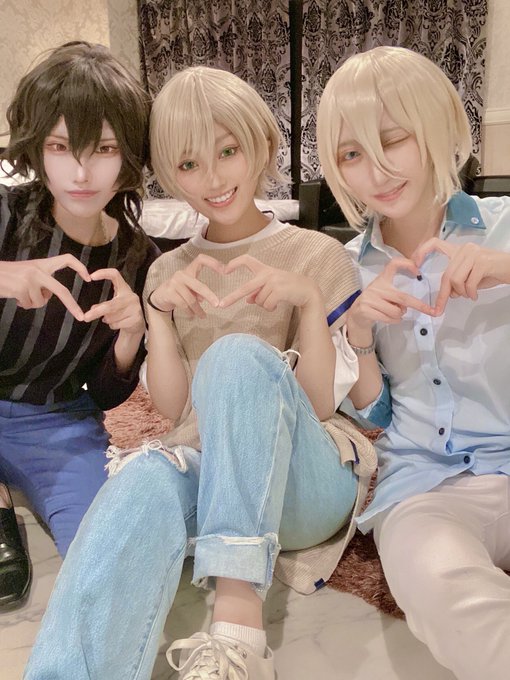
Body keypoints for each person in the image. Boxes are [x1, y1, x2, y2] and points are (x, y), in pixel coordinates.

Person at [24, 66, 376, 680]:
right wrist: (159, 317)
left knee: (235, 357)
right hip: (209, 471)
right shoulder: (166, 270)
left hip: (307, 479)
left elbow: (321, 405)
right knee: (142, 474)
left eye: (228, 151)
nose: (212, 179)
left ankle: (238, 635)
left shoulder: (316, 255)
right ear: (168, 172)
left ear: (259, 145)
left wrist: (307, 304)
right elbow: (171, 409)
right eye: (188, 164)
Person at [316, 45, 510, 680]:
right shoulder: (345, 269)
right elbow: (373, 414)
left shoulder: (503, 226)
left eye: (393, 139)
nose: (375, 170)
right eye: (351, 154)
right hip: (424, 484)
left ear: (438, 126)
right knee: (448, 598)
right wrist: (359, 331)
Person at [0, 41, 159, 610]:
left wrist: (131, 337)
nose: (82, 172)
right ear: (37, 148)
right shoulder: (7, 213)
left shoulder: (137, 257)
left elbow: (108, 393)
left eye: (105, 149)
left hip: (56, 422)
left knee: (107, 561)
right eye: (61, 147)